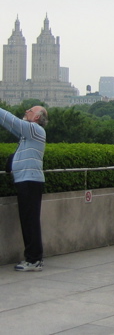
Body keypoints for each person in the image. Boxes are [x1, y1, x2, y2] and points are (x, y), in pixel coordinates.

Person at [1, 106, 46, 271]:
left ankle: (34, 260)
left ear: (37, 117)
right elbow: (9, 124)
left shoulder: (34, 129)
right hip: (26, 181)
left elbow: (12, 120)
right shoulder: (27, 135)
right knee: (28, 221)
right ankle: (34, 258)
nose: (26, 111)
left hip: (30, 182)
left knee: (30, 221)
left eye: (30, 110)